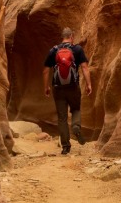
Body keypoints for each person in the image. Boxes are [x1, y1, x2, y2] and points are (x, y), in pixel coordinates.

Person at [43, 27, 93, 155]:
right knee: (75, 109)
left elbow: (46, 70)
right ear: (71, 37)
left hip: (58, 88)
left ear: (62, 37)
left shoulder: (54, 50)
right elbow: (85, 67)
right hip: (73, 87)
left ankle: (65, 146)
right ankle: (76, 125)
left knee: (62, 118)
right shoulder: (77, 49)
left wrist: (46, 87)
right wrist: (89, 84)